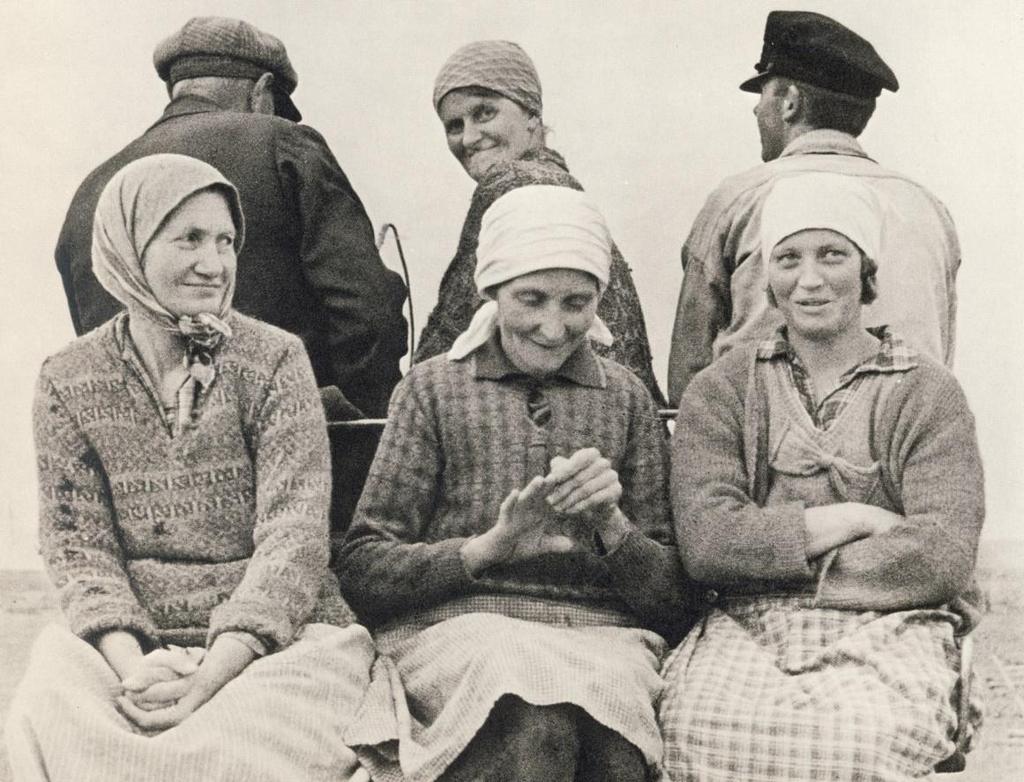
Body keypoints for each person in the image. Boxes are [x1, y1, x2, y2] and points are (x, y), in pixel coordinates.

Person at [6, 154, 375, 782]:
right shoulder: (67, 380)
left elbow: (294, 538)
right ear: (130, 246)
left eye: (227, 241)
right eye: (190, 239)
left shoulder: (276, 361)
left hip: (275, 639)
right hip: (131, 641)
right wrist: (135, 667)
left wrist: (216, 669)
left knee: (236, 744)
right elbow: (78, 550)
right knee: (51, 712)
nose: (215, 263)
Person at [337, 185, 690, 782]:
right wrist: (488, 549)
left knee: (612, 752)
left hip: (600, 641)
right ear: (492, 291)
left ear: (601, 300)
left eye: (577, 302)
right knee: (536, 723)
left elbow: (674, 604)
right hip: (462, 636)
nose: (554, 327)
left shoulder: (626, 399)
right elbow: (364, 572)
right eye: (531, 298)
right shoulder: (432, 390)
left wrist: (613, 526)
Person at [660, 173, 984, 781]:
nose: (809, 280)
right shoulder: (723, 390)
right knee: (697, 726)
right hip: (744, 623)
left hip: (892, 624)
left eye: (831, 255)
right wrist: (856, 519)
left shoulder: (927, 392)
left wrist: (768, 550)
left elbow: (941, 555)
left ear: (867, 274)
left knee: (857, 737)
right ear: (768, 279)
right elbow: (707, 544)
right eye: (788, 259)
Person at [55, 15, 407, 420]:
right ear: (263, 92)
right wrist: (359, 419)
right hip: (292, 447)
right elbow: (370, 310)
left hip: (148, 465)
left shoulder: (92, 191)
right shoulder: (283, 142)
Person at [667, 10, 961, 404]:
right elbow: (940, 352)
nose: (756, 110)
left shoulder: (739, 199)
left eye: (763, 93)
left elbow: (688, 376)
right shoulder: (927, 208)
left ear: (790, 102)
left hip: (764, 453)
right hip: (905, 444)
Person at [415, 39, 665, 405]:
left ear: (532, 114)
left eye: (484, 113)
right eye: (454, 125)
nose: (468, 137)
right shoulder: (560, 187)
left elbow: (451, 338)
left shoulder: (512, 185)